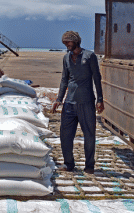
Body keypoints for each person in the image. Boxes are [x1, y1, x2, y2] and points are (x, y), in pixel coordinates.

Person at [51, 31, 104, 174]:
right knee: (65, 135)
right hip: (69, 103)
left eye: (68, 42)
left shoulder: (89, 56)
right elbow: (64, 80)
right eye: (64, 42)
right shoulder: (66, 58)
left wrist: (100, 99)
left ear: (76, 41)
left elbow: (97, 78)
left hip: (86, 102)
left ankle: (89, 166)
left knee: (89, 135)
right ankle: (69, 164)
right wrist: (58, 100)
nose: (66, 44)